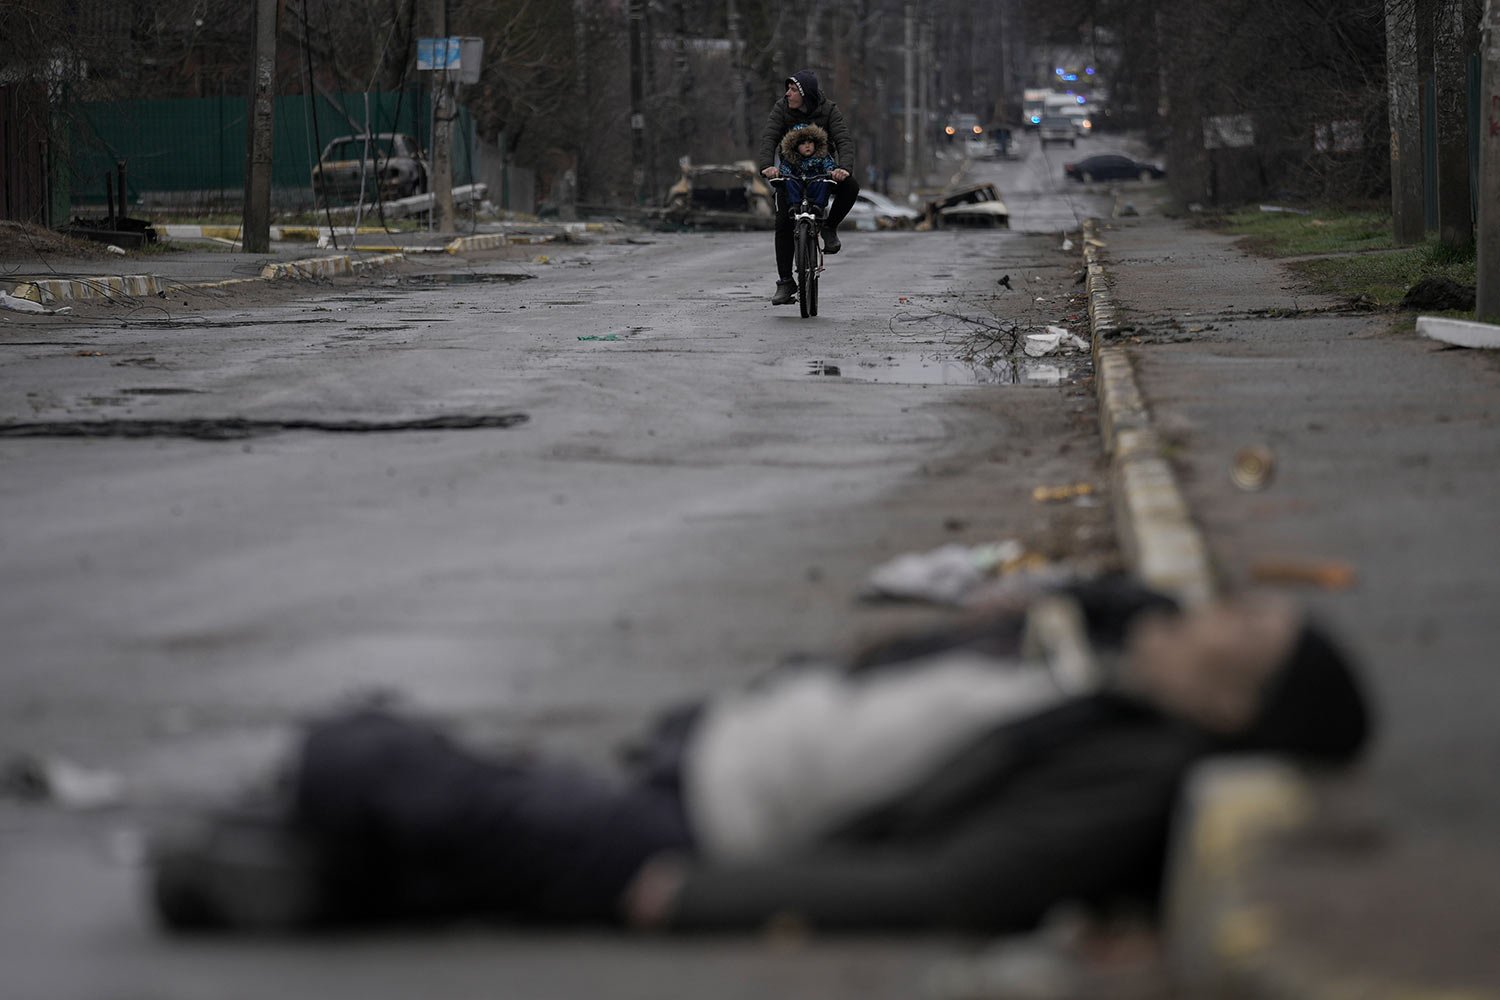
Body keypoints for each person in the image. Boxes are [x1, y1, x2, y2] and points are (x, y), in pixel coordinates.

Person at [150, 580, 1370, 935]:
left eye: (1242, 629)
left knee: (367, 748)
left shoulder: (1133, 767)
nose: (1214, 612)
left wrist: (699, 898)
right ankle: (288, 875)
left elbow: (956, 885)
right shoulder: (1113, 687)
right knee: (464, 831)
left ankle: (298, 849)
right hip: (694, 769)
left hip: (691, 833)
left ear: (1238, 697)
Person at [758, 70, 860, 305]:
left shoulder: (829, 110)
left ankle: (829, 228)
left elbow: (843, 139)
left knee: (851, 187)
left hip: (821, 171)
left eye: (793, 90)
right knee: (783, 222)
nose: (788, 94)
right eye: (788, 89)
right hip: (791, 173)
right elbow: (769, 138)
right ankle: (785, 282)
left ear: (806, 94)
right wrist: (767, 166)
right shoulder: (781, 108)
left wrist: (843, 168)